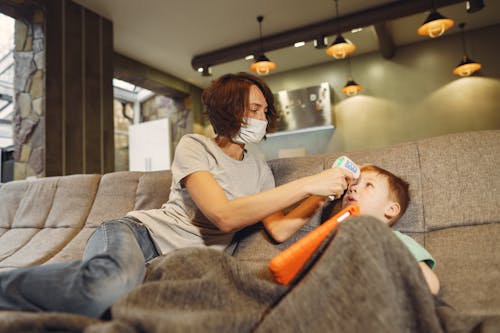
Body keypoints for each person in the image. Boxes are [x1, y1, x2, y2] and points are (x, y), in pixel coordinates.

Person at [0, 72, 354, 318]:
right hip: (138, 235)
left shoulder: (259, 168)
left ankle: (87, 274)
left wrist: (320, 196)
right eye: (254, 109)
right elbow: (224, 215)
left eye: (264, 110)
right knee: (109, 288)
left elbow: (278, 230)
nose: (263, 117)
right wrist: (309, 183)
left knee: (115, 296)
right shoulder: (194, 146)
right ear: (229, 110)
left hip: (172, 264)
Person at [262, 164, 440, 295]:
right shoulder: (329, 237)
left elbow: (430, 284)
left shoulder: (394, 239)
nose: (353, 188)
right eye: (352, 185)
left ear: (391, 210)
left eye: (368, 185)